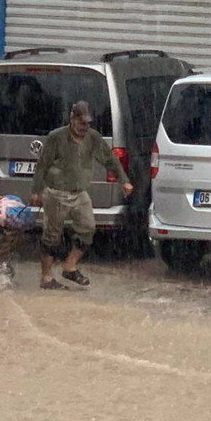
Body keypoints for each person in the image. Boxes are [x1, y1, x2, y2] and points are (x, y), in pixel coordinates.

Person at [30, 101, 133, 290]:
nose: (85, 127)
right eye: (81, 123)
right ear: (72, 119)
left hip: (80, 194)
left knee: (88, 229)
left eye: (88, 123)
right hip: (56, 193)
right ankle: (46, 278)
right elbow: (42, 165)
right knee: (52, 237)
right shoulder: (56, 137)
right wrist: (36, 191)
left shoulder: (93, 138)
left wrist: (124, 181)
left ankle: (69, 266)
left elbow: (110, 160)